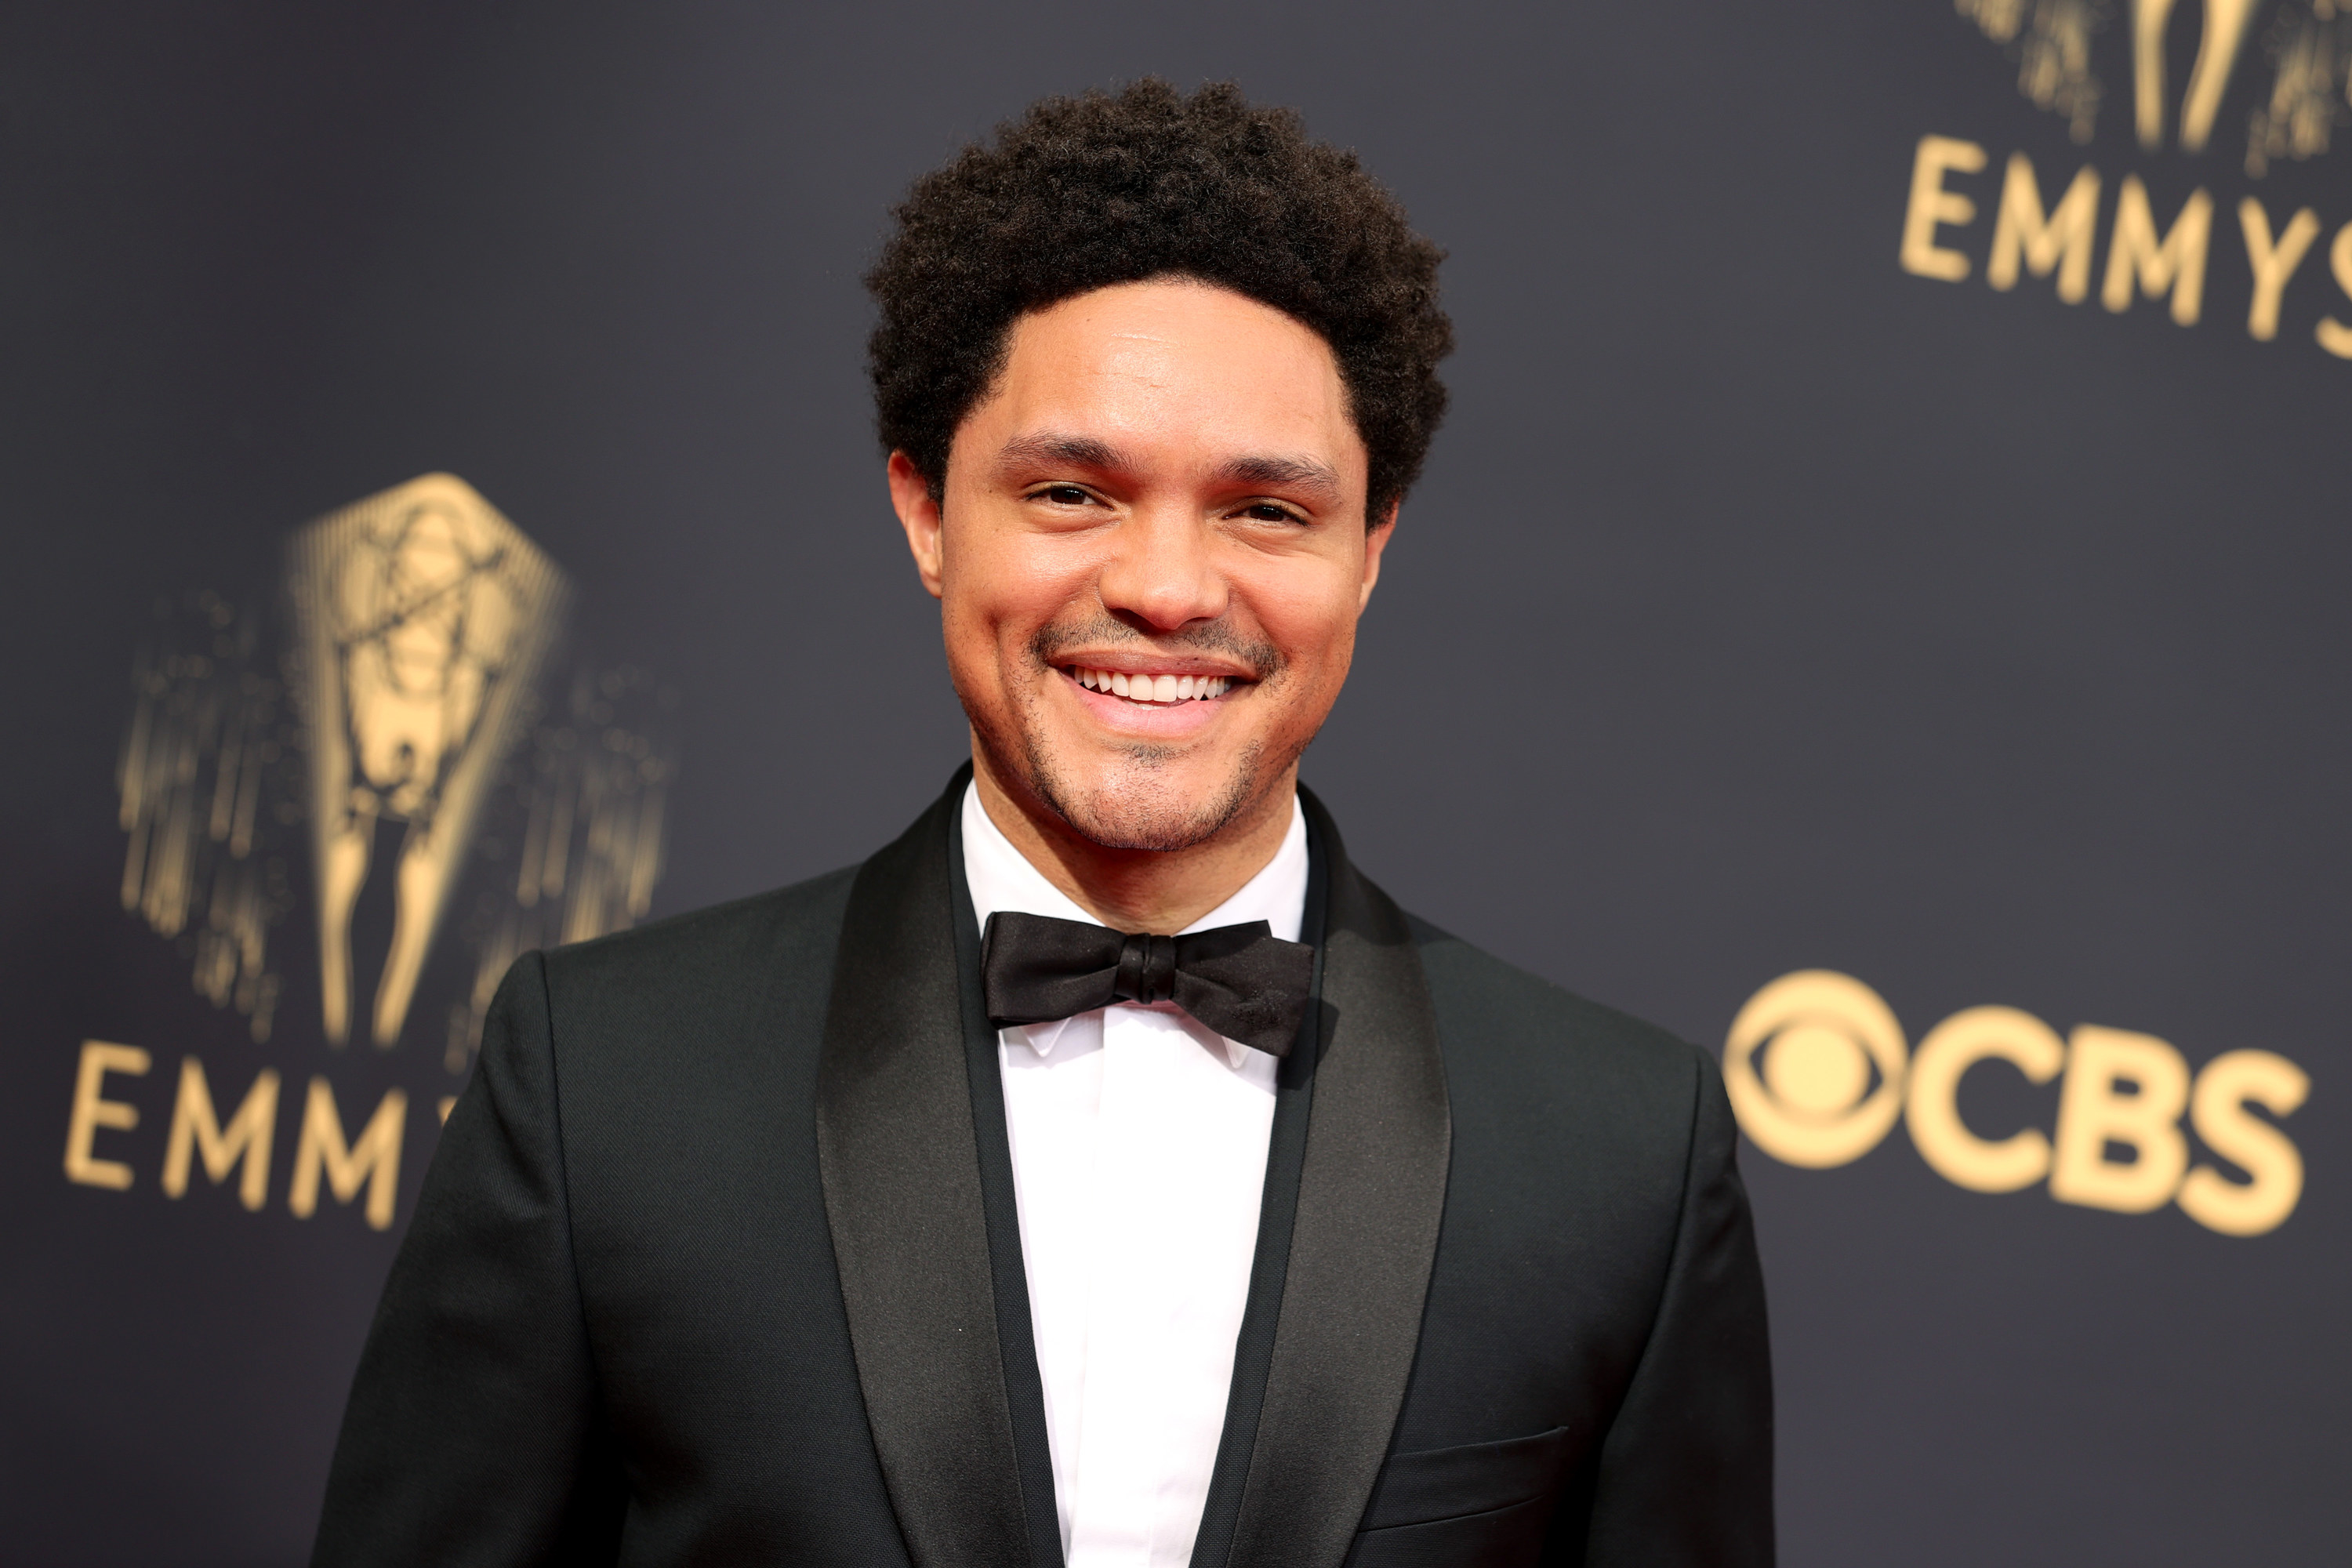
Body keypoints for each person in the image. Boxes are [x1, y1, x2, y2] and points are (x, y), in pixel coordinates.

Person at [310, 79, 1772, 1568]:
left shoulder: (1618, 1157)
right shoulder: (607, 1081)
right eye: (1074, 490)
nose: (1168, 586)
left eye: (1266, 510)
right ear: (928, 513)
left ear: (1371, 549)